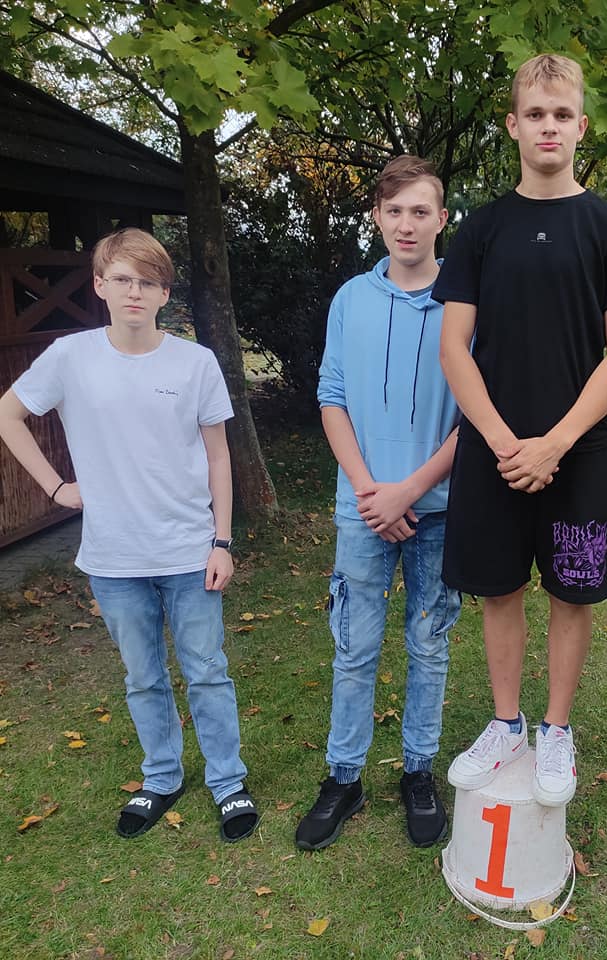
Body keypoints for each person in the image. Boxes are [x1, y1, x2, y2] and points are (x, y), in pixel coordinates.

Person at [434, 54, 607, 807]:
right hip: (492, 450)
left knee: (571, 592)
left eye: (562, 115)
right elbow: (453, 349)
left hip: (579, 452)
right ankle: (507, 724)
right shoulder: (481, 230)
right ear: (513, 125)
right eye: (535, 114)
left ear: (581, 126)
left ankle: (556, 729)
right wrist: (505, 444)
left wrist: (555, 443)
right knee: (498, 590)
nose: (549, 127)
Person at [0, 228, 259, 842]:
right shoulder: (70, 357)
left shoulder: (195, 362)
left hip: (190, 551)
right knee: (143, 677)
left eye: (147, 281)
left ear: (165, 292)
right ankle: (161, 777)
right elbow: (9, 414)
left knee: (207, 672)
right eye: (121, 279)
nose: (134, 291)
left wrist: (222, 541)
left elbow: (218, 456)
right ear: (100, 286)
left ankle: (228, 782)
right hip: (114, 559)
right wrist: (56, 488)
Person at [295, 155, 461, 852]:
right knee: (355, 647)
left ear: (442, 219)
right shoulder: (350, 299)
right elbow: (331, 397)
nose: (406, 224)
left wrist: (410, 490)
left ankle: (418, 771)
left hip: (438, 507)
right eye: (394, 211)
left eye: (420, 211)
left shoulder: (464, 300)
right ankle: (344, 777)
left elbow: (475, 415)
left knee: (429, 644)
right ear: (376, 217)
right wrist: (371, 490)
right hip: (362, 508)